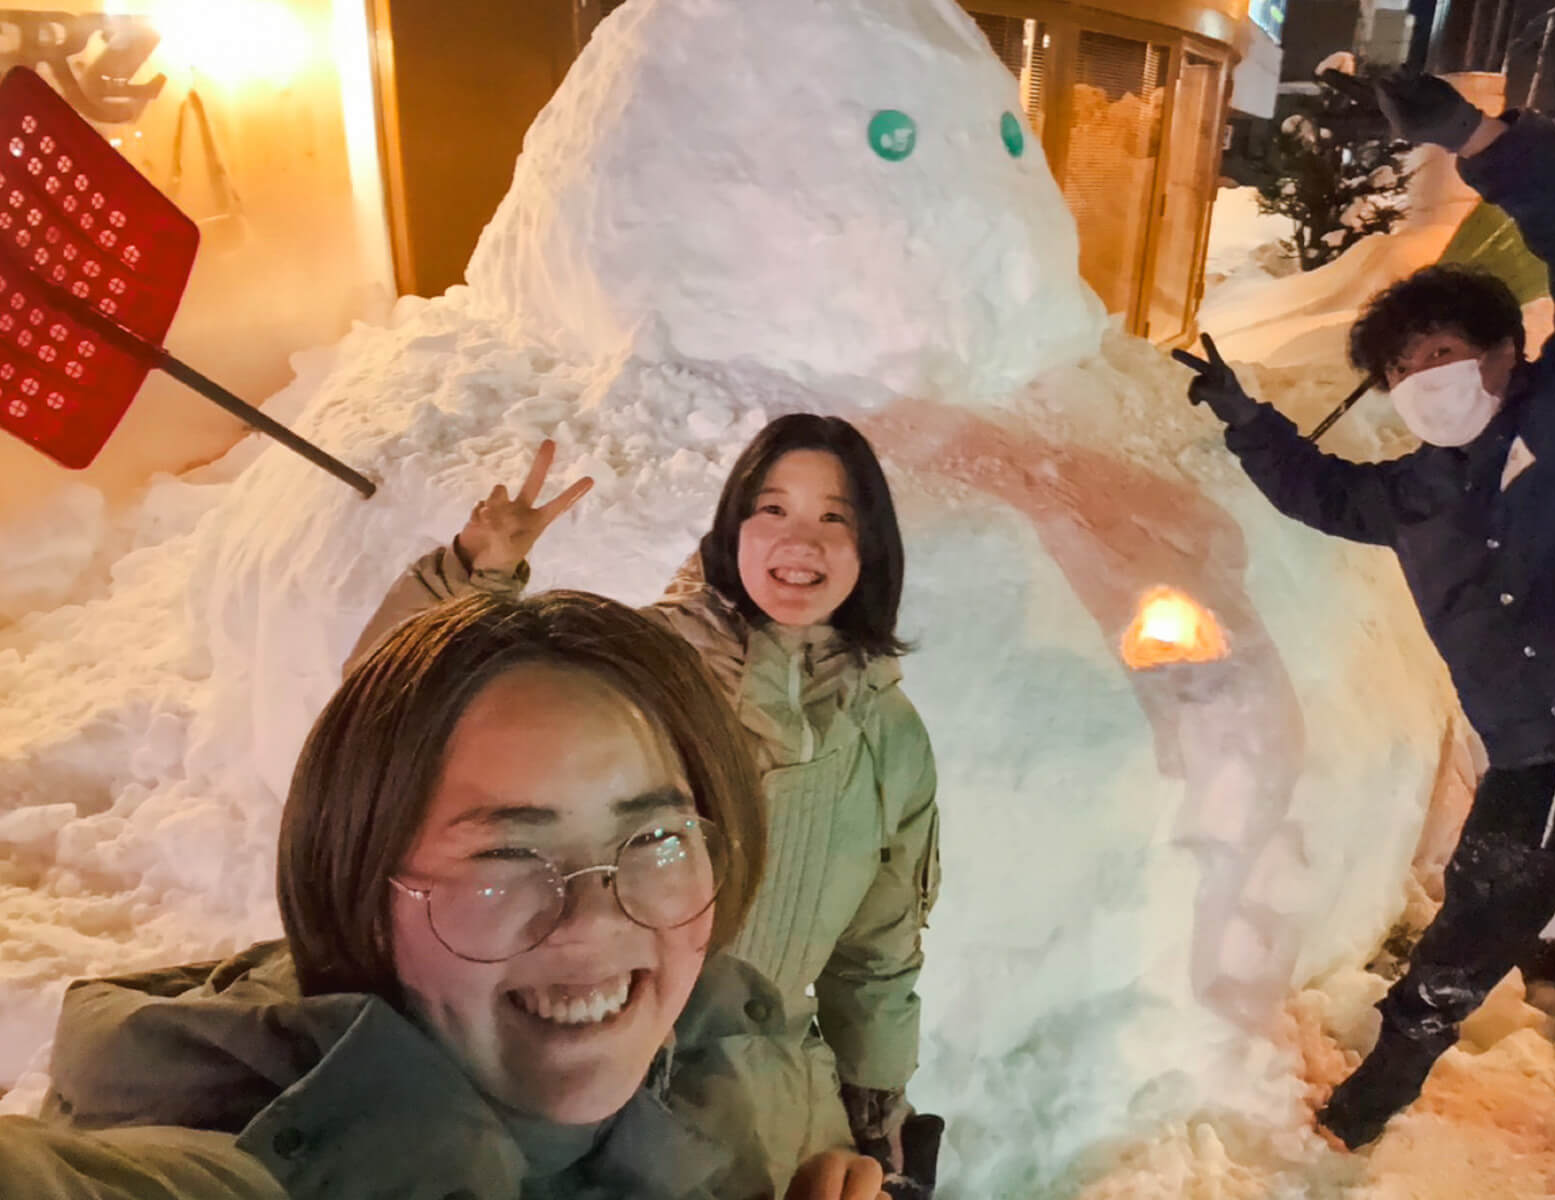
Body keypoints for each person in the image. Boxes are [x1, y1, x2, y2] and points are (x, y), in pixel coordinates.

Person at [0, 590, 891, 1200]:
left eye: (655, 837)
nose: (596, 918)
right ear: (359, 889)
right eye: (506, 854)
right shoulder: (250, 1154)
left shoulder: (727, 1048)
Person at [1174, 71, 1555, 1150]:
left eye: (1445, 353)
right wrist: (1243, 419)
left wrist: (1479, 139)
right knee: (1466, 933)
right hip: (1532, 773)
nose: (1426, 379)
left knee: (1491, 910)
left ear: (1506, 350)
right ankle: (1369, 1106)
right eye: (1404, 367)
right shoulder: (1416, 493)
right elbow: (1320, 492)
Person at [355, 416, 942, 1193]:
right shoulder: (641, 670)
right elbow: (392, 724)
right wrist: (472, 574)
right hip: (587, 1070)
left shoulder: (889, 733)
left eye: (835, 517)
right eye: (772, 510)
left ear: (871, 549)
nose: (801, 541)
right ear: (732, 529)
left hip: (766, 1097)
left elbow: (878, 946)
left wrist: (875, 1104)